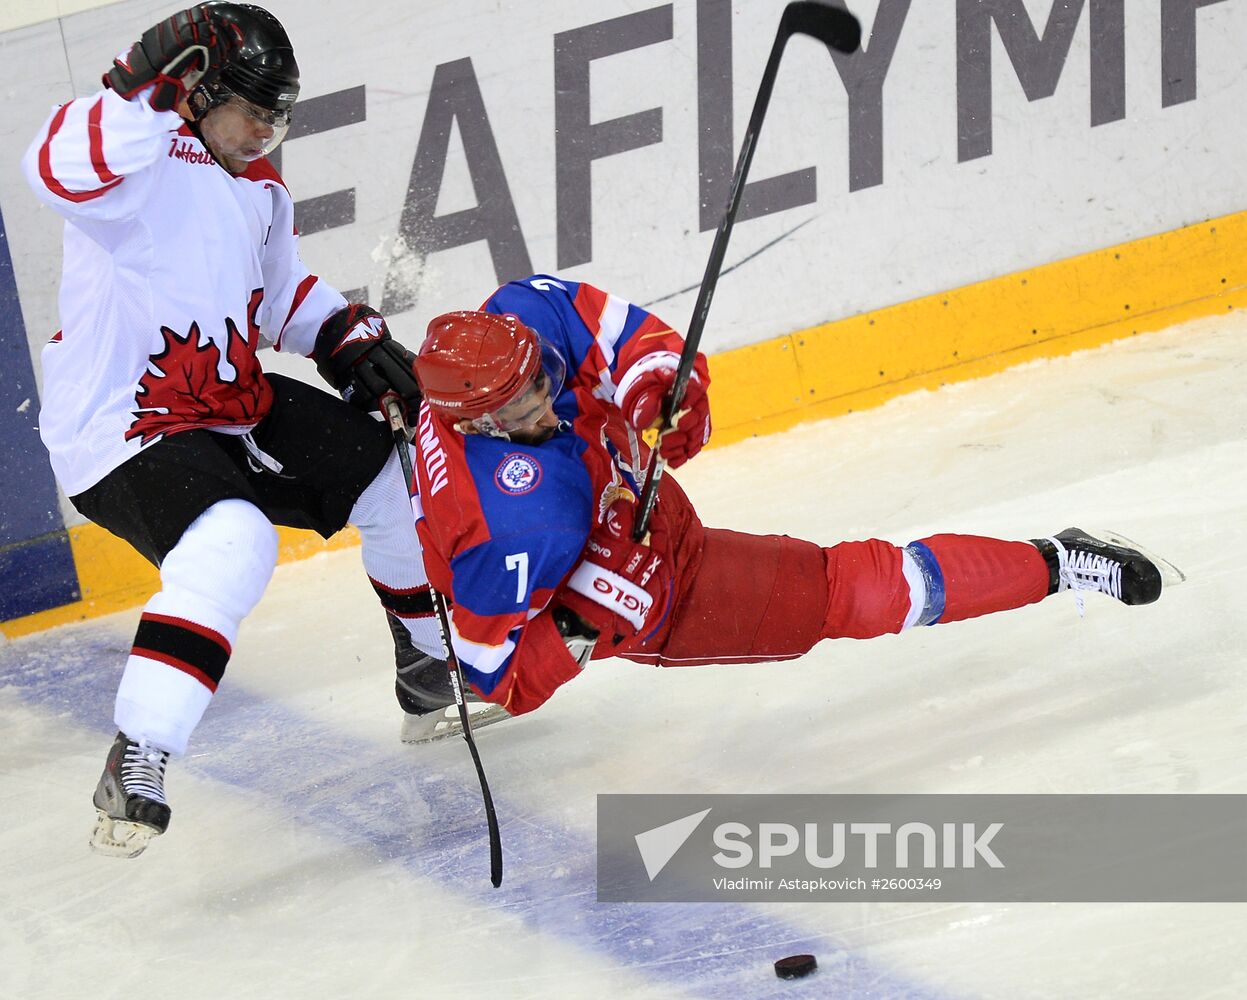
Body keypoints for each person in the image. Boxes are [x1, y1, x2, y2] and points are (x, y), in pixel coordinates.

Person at [21, 3, 454, 858]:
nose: (267, 130)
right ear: (196, 89)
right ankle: (139, 751)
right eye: (253, 108)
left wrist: (341, 335)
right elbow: (55, 168)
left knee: (398, 476)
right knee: (232, 543)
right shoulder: (136, 155)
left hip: (227, 399)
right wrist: (133, 84)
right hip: (126, 424)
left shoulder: (257, 187)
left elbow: (273, 296)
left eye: (278, 114)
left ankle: (428, 666)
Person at [404, 274, 1164, 716]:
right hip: (660, 595)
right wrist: (582, 617)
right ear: (475, 422)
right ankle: (1059, 562)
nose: (545, 397)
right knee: (856, 594)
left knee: (849, 582)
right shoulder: (503, 525)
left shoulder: (513, 330)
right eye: (520, 406)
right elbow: (490, 674)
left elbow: (626, 338)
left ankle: (1055, 559)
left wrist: (657, 392)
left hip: (640, 510)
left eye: (541, 377)